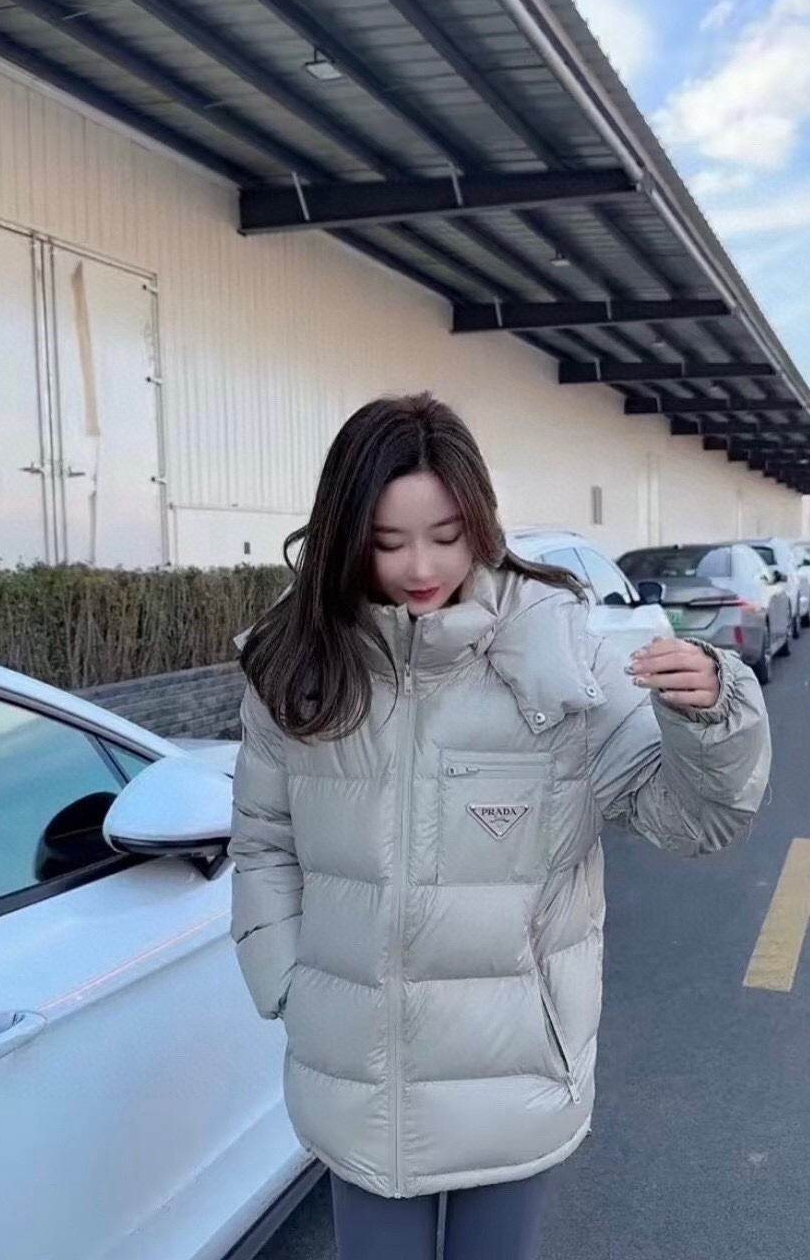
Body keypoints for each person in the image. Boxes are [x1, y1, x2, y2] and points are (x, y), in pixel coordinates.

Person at [229, 394, 772, 1260]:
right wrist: (291, 987)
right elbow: (263, 841)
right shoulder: (299, 660)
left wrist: (713, 714)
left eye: (445, 536)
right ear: (343, 533)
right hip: (357, 1079)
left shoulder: (556, 650)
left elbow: (693, 821)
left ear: (480, 522)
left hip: (514, 1070)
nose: (420, 566)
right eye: (387, 540)